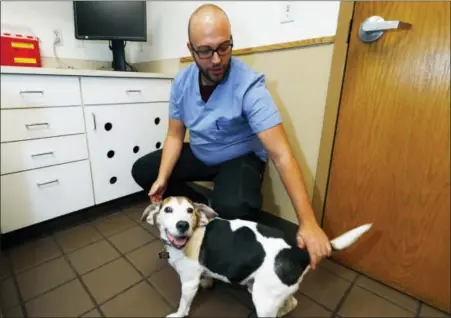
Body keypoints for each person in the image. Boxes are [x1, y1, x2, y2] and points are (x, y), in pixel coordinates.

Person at [131, 4, 331, 269]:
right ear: (190, 49)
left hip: (240, 158)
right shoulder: (181, 82)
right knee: (144, 171)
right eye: (205, 51)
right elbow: (175, 136)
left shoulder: (249, 86)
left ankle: (219, 216)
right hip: (202, 153)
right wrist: (163, 178)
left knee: (234, 206)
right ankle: (202, 213)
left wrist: (307, 221)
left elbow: (282, 155)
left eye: (224, 47)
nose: (216, 60)